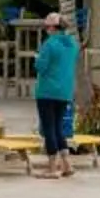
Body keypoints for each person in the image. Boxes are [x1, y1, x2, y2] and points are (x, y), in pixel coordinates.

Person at [31, 11, 80, 179]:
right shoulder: (72, 44)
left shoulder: (49, 44)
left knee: (49, 128)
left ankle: (52, 167)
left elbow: (41, 67)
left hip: (47, 91)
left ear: (52, 28)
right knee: (58, 127)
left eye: (46, 27)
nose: (46, 30)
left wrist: (37, 59)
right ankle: (67, 164)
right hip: (65, 91)